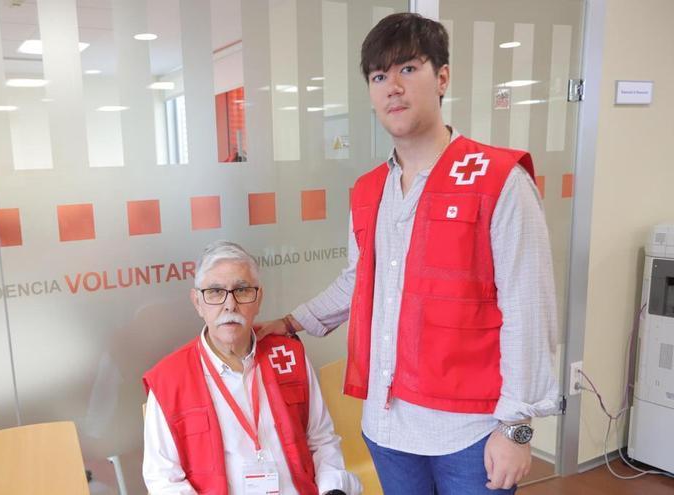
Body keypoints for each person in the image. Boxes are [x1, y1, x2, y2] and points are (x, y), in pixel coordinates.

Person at [256, 13, 559, 495]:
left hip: (470, 433)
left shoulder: (498, 179)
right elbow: (361, 279)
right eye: (379, 76)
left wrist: (515, 427)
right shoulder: (368, 190)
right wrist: (291, 322)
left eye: (408, 69)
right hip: (386, 428)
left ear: (442, 78)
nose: (392, 87)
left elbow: (529, 307)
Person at [143, 240, 362, 495]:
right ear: (197, 303)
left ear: (259, 299)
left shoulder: (288, 356)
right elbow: (163, 479)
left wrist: (331, 489)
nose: (230, 304)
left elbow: (321, 440)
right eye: (215, 292)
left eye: (242, 290)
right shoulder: (170, 379)